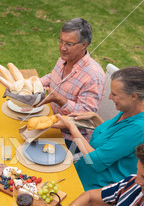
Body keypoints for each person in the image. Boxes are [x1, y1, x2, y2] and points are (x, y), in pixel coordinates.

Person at [55, 66, 144, 191]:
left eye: (114, 94)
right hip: (81, 171)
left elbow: (94, 161)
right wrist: (95, 119)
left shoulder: (138, 128)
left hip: (96, 190)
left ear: (133, 96)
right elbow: (115, 139)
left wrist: (72, 128)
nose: (109, 97)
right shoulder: (130, 110)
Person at [39, 18, 106, 150]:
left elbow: (86, 118)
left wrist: (60, 100)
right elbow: (53, 77)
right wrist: (34, 83)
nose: (62, 48)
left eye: (69, 44)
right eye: (61, 41)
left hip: (72, 139)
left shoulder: (93, 76)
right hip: (51, 121)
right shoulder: (65, 58)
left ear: (83, 45)